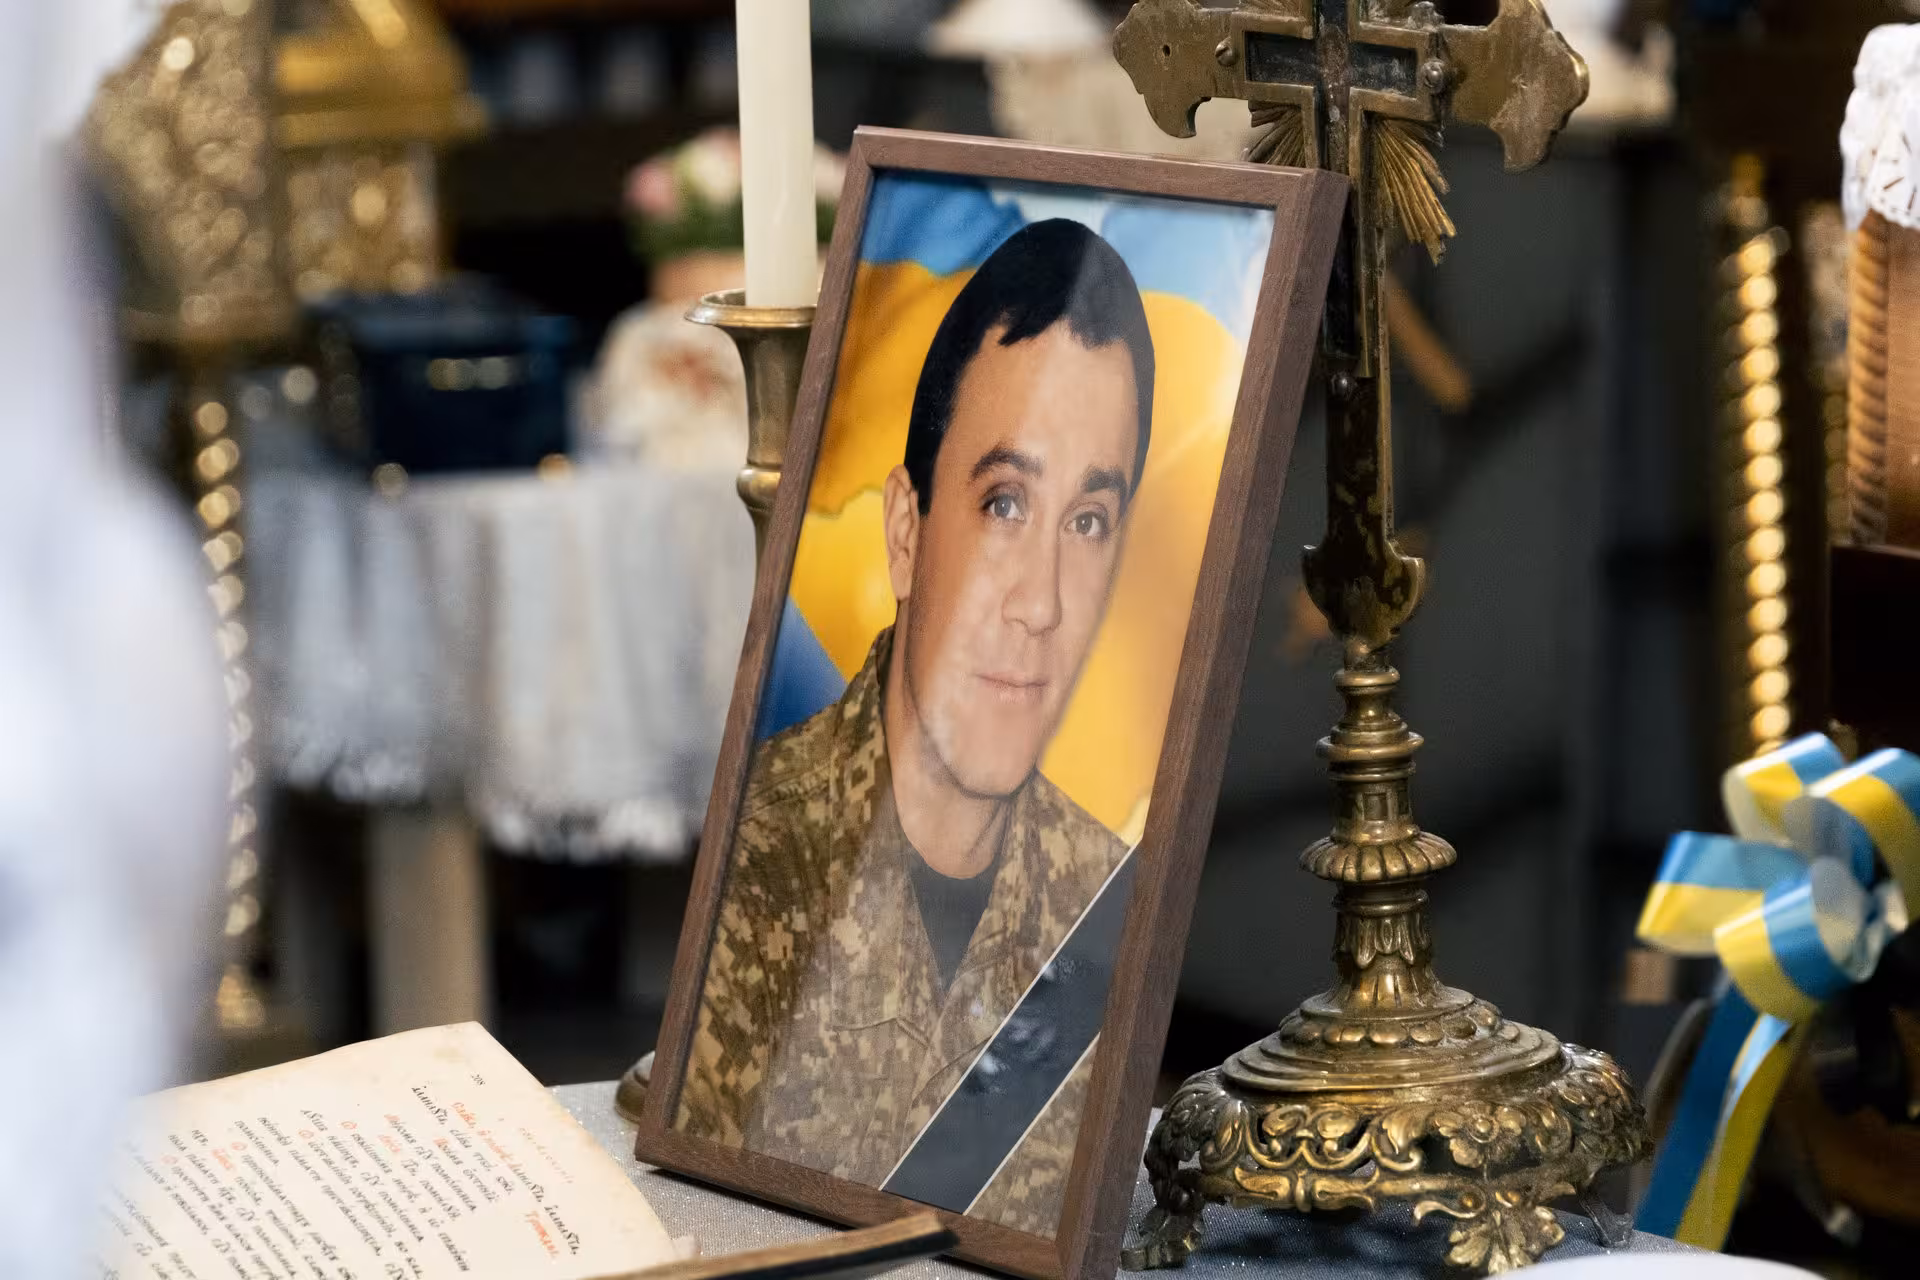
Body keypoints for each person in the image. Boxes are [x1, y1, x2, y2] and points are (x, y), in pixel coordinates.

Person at [677, 219, 1155, 1237]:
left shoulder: (1107, 895)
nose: (1042, 603)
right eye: (1005, 504)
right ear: (906, 530)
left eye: (1087, 521)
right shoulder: (763, 841)